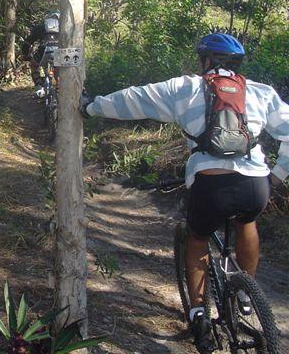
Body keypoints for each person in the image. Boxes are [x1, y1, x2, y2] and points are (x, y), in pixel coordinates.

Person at [80, 30, 288, 353]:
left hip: (210, 186)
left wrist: (92, 107)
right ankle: (247, 295)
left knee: (197, 238)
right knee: (247, 222)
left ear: (206, 61)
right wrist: (277, 175)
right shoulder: (261, 92)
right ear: (236, 64)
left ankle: (198, 314)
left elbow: (135, 99)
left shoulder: (186, 88)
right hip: (254, 185)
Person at [23, 10, 60, 98]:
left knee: (33, 65)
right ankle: (59, 88)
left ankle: (39, 88)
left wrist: (25, 54)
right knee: (59, 71)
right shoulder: (63, 26)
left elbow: (28, 42)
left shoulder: (40, 27)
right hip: (59, 52)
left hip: (43, 52)